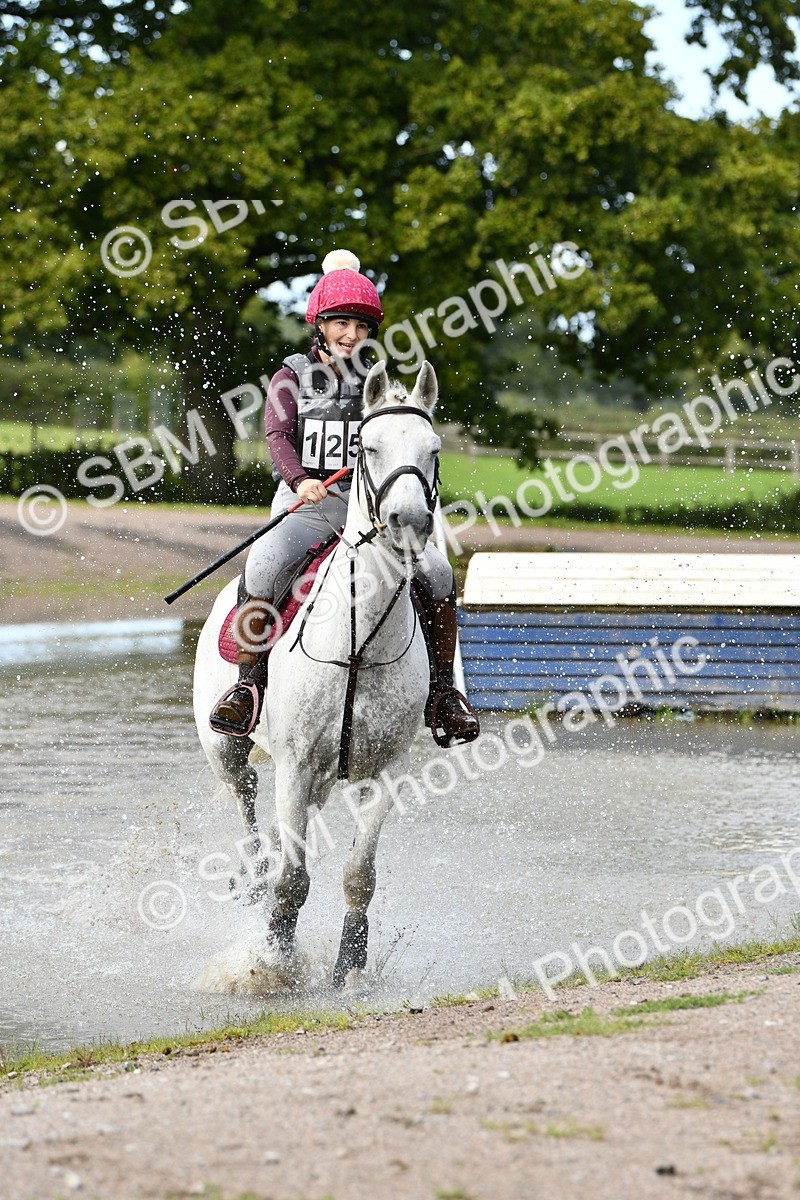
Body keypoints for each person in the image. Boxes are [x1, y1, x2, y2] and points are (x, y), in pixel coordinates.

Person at [209, 248, 480, 746]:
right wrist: (298, 482)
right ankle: (247, 687)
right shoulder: (290, 375)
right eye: (340, 323)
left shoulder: (377, 381)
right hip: (309, 504)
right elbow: (277, 436)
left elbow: (402, 435)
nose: (350, 334)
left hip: (368, 512)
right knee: (265, 561)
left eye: (359, 325)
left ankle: (443, 693)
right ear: (320, 324)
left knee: (438, 574)